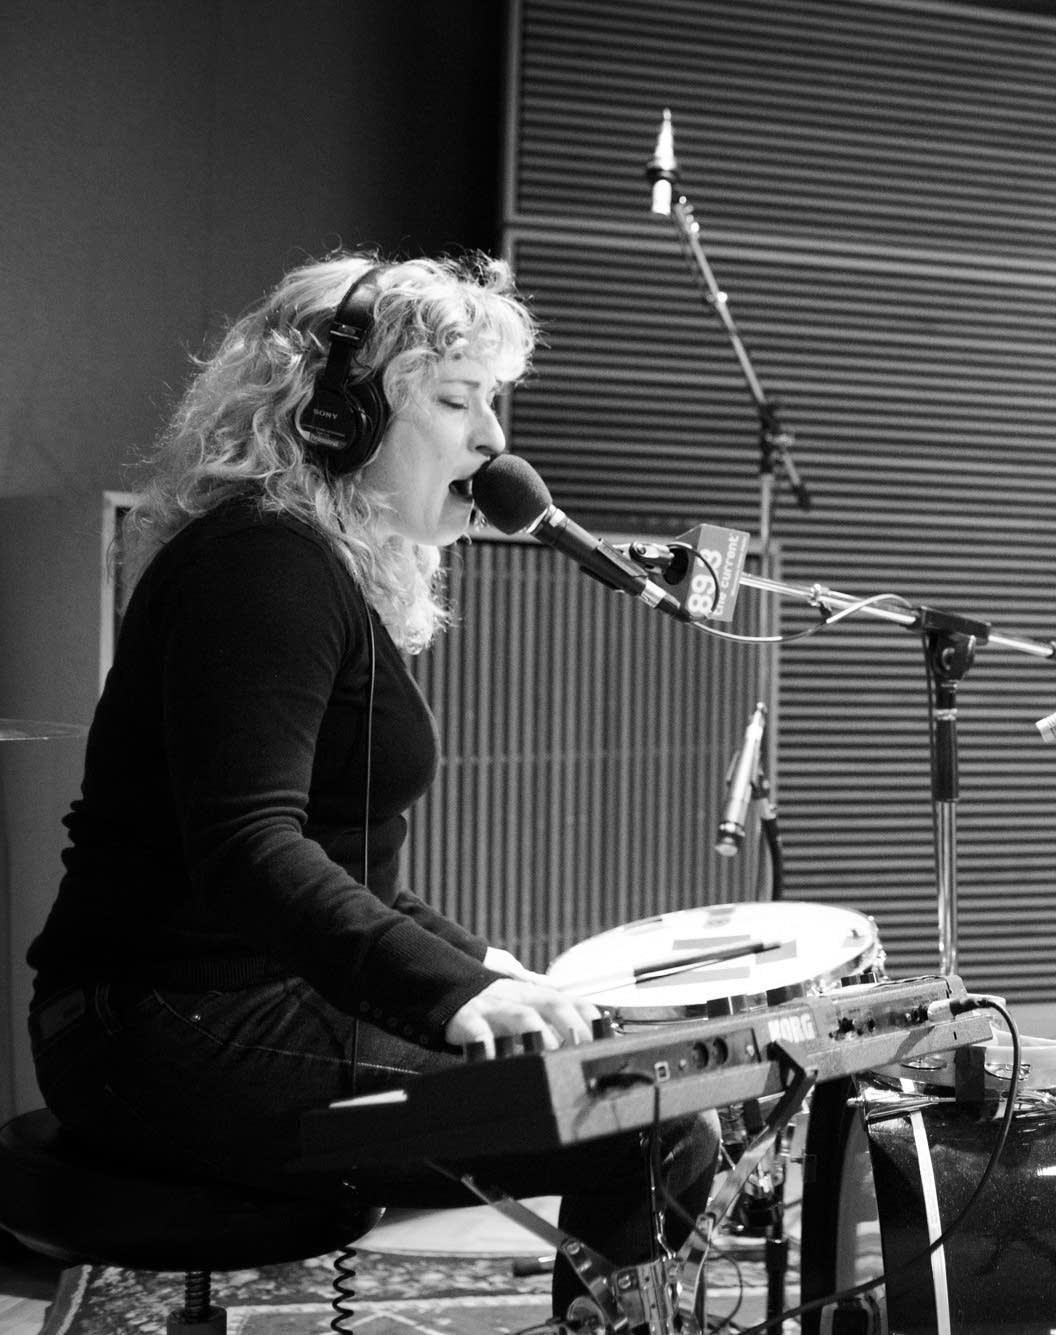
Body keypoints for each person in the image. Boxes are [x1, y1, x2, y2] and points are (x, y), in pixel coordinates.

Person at [25, 253, 718, 1319]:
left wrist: (492, 969)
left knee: (634, 1075)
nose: (492, 439)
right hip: (160, 1028)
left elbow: (345, 866)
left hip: (224, 1005)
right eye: (455, 400)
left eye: (494, 400)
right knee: (643, 1114)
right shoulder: (260, 566)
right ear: (337, 414)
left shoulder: (315, 567)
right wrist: (453, 995)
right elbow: (252, 850)